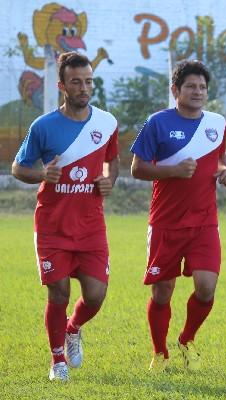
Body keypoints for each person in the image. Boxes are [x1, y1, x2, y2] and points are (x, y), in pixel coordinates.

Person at [12, 51, 119, 381]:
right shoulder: (43, 126)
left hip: (90, 226)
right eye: (76, 82)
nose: (84, 88)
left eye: (88, 81)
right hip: (53, 227)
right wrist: (43, 175)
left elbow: (112, 162)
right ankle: (57, 360)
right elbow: (19, 168)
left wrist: (108, 180)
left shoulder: (106, 122)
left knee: (96, 295)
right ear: (61, 86)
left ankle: (73, 329)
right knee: (58, 291)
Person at [130, 60, 226, 372]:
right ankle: (159, 352)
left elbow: (220, 159)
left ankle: (186, 339)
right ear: (175, 90)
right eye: (190, 86)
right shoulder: (157, 122)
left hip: (204, 222)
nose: (197, 92)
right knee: (162, 292)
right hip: (165, 223)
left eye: (202, 87)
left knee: (206, 287)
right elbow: (137, 168)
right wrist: (173, 171)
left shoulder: (217, 123)